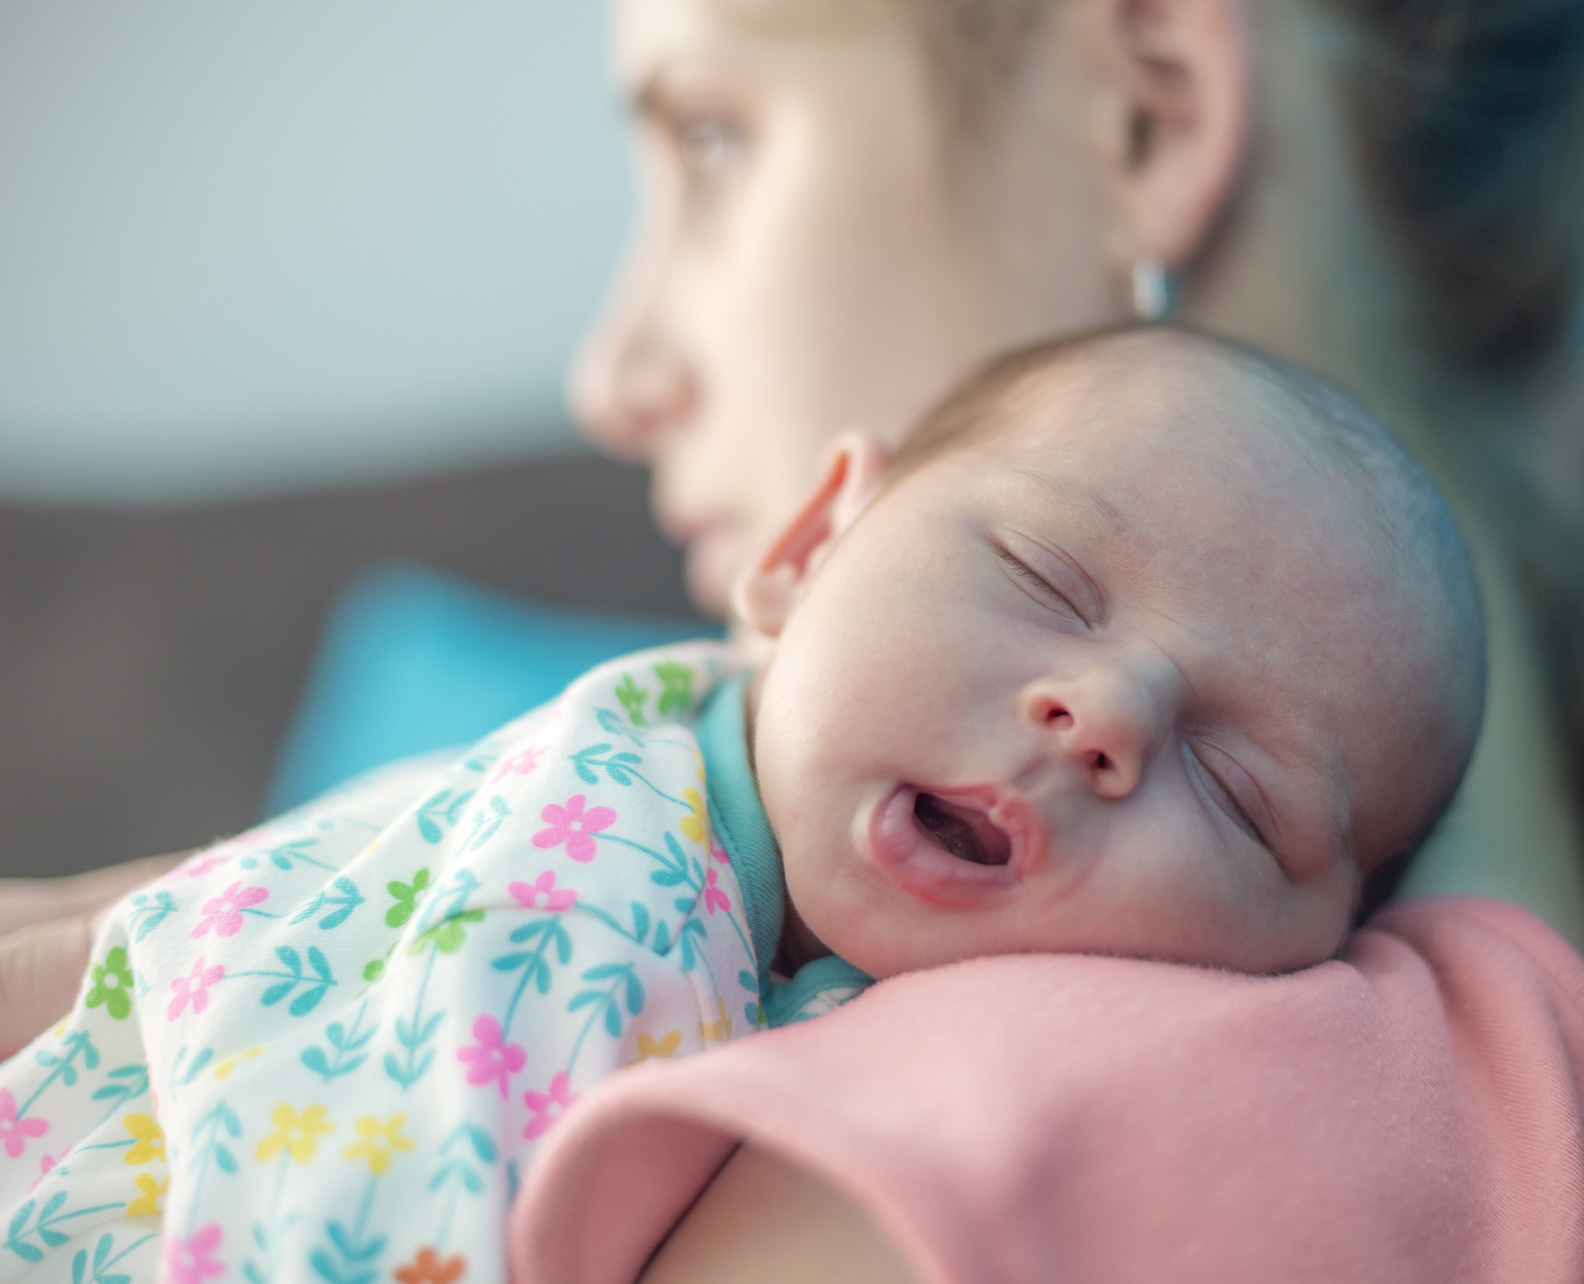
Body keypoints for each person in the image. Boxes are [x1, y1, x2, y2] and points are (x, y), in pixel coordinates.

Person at [5, 0, 1584, 1276]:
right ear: (816, 540)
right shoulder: (685, 785)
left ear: (1149, 112)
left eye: (714, 132)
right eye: (1042, 573)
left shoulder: (1150, 1101)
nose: (612, 374)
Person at [0, 326, 1488, 1284]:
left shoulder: (1022, 1095)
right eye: (1045, 581)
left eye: (1241, 795)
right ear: (808, 542)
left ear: (1310, 952)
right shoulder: (594, 771)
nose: (1104, 718)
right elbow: (161, 933)